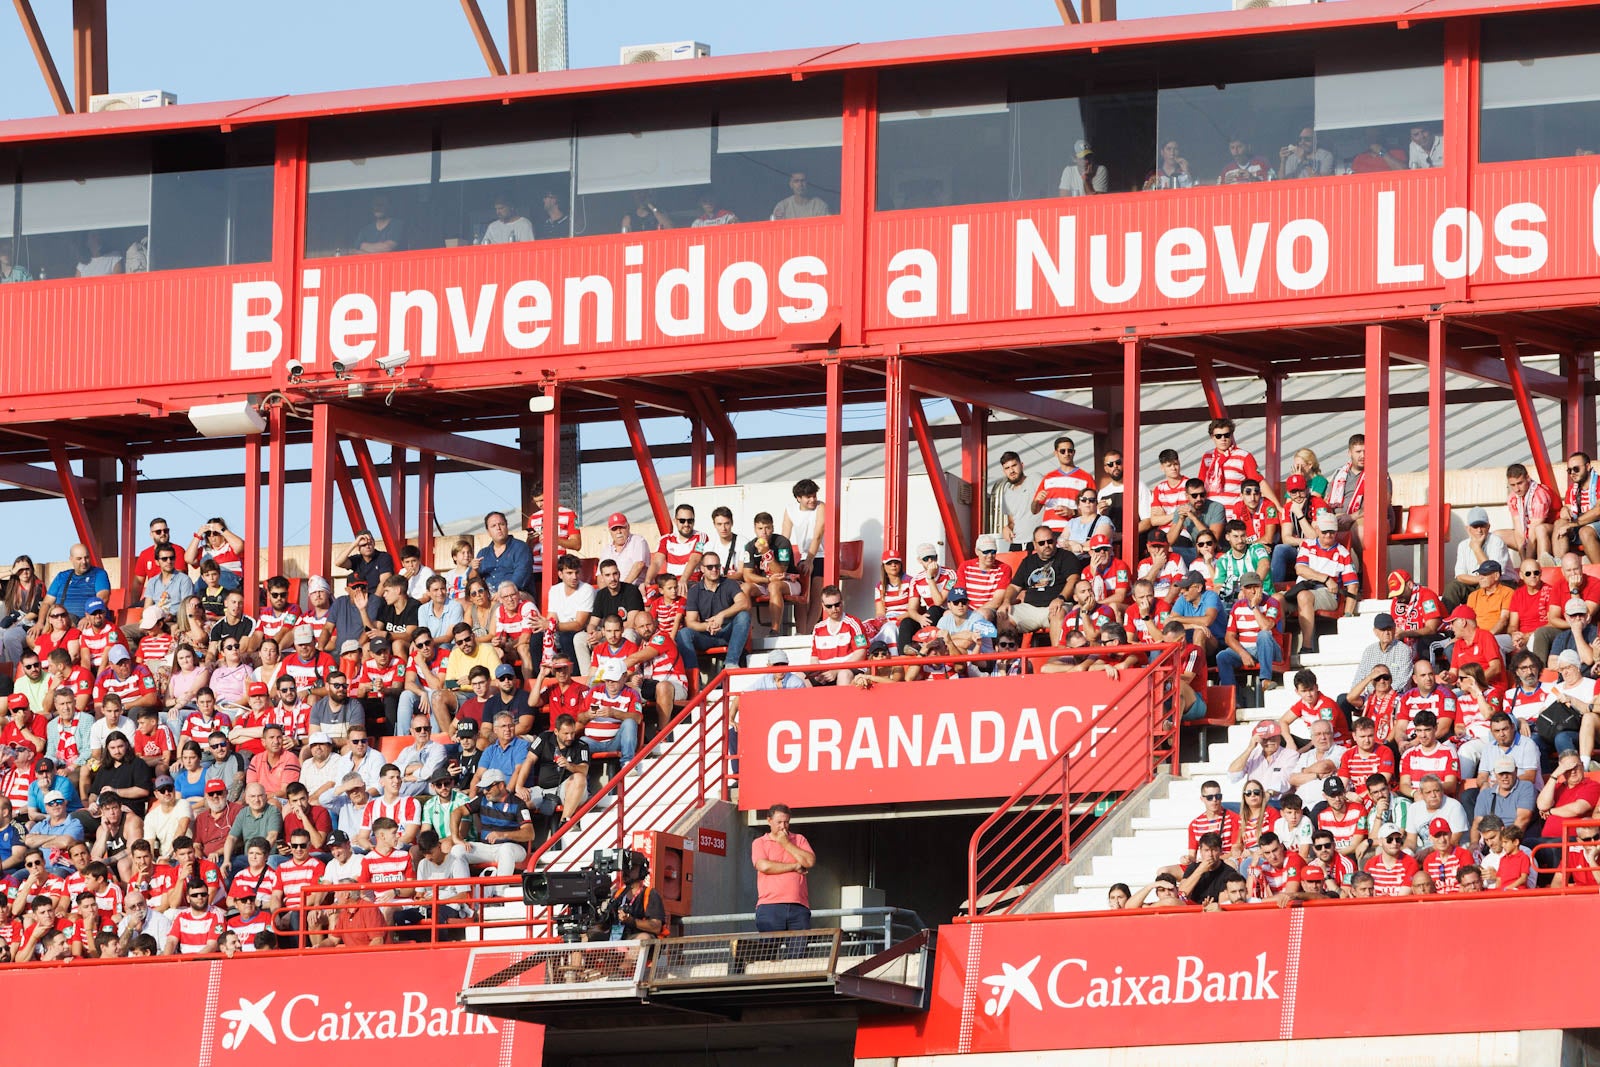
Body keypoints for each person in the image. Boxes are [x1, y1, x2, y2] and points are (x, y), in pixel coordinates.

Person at [1289, 514, 1359, 654]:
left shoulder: (1342, 553)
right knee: (1277, 600)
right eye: (1324, 531)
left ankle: (1307, 647)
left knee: (1304, 596)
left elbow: (1353, 585)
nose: (1328, 535)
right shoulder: (1308, 545)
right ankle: (1277, 653)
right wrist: (1326, 578)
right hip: (1303, 588)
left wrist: (1348, 614)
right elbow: (1300, 569)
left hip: (1326, 594)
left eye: (1332, 532)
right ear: (1317, 530)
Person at [449, 768, 534, 883]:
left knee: (506, 849)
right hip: (487, 847)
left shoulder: (518, 804)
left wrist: (503, 835)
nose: (485, 791)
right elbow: (456, 812)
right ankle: (464, 893)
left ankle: (499, 894)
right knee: (457, 850)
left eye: (488, 787)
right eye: (483, 788)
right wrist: (456, 838)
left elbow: (529, 834)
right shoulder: (481, 799)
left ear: (501, 785)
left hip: (513, 848)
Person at [678, 552, 752, 678]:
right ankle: (693, 677)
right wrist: (707, 626)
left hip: (728, 632)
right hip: (706, 635)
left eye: (717, 566)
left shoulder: (729, 583)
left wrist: (721, 615)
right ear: (702, 569)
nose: (714, 570)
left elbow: (745, 603)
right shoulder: (695, 591)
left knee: (743, 616)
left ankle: (731, 664)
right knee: (684, 633)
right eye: (710, 567)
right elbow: (691, 622)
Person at [1001, 526, 1082, 640]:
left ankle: (1058, 656)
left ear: (1055, 540)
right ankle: (1008, 656)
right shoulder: (1028, 562)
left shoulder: (1066, 557)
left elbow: (1073, 579)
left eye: (1049, 541)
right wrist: (1006, 601)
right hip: (1030, 607)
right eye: (1041, 543)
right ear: (1035, 545)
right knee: (1003, 614)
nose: (1046, 545)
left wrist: (1061, 598)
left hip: (1057, 605)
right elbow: (1014, 587)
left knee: (1058, 613)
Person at [752, 804, 814, 932]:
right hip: (770, 906)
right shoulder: (760, 842)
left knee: (798, 951)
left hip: (799, 906)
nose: (783, 826)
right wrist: (795, 866)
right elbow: (764, 866)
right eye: (779, 822)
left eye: (786, 822)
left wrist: (785, 843)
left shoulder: (799, 839)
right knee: (768, 951)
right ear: (769, 821)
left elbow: (809, 861)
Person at [1215, 573, 1280, 695]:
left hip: (1269, 649)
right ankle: (1232, 698)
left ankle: (1265, 679)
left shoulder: (1272, 603)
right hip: (1246, 649)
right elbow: (1229, 637)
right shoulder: (1237, 607)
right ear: (1242, 590)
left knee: (1263, 635)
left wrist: (1254, 606)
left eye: (1256, 586)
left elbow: (1266, 627)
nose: (1253, 591)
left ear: (1261, 587)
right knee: (1222, 656)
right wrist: (1242, 653)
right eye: (1249, 587)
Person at [740, 512, 802, 633]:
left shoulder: (782, 542)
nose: (764, 532)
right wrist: (767, 580)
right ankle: (745, 630)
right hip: (766, 582)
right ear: (755, 529)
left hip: (789, 581)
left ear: (772, 528)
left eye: (767, 528)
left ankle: (775, 630)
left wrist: (766, 552)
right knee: (744, 587)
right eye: (760, 528)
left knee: (774, 586)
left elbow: (780, 571)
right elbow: (747, 576)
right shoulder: (750, 546)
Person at [1443, 508, 1514, 610]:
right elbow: (1460, 576)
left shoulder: (1496, 541)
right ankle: (1444, 621)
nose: (1479, 530)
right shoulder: (1463, 545)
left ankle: (1481, 621)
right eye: (1475, 526)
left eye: (1482, 526)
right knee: (1452, 588)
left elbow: (1492, 573)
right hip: (1478, 582)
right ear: (1468, 528)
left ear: (1488, 527)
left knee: (1484, 586)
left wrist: (1477, 548)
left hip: (1503, 582)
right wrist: (1481, 579)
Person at [589, 850, 665, 942]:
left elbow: (656, 927)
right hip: (617, 938)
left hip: (636, 938)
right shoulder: (617, 894)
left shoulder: (650, 894)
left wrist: (631, 921)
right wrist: (599, 917)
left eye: (631, 868)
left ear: (642, 871)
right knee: (585, 937)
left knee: (643, 938)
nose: (625, 872)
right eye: (624, 869)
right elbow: (605, 926)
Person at [37, 543, 111, 623]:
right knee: (32, 633)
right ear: (71, 559)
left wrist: (88, 618)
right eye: (79, 559)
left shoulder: (99, 574)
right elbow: (47, 603)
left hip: (86, 622)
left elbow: (102, 598)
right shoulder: (62, 577)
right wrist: (39, 623)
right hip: (60, 620)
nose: (84, 562)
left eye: (86, 558)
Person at [1501, 462, 1557, 564]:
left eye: (1520, 483)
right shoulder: (1512, 497)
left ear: (1528, 478)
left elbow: (1533, 533)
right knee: (1496, 536)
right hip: (1529, 535)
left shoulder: (1539, 496)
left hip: (1553, 533)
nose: (1517, 489)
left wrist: (1528, 562)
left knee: (1539, 530)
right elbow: (1519, 530)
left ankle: (1542, 567)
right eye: (1513, 485)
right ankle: (1499, 571)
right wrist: (1523, 560)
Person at [1228, 721, 1297, 798]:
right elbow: (1233, 776)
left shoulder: (1290, 754)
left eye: (1273, 737)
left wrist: (1267, 794)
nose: (1269, 741)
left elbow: (1285, 782)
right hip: (1253, 802)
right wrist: (1249, 748)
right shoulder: (1253, 754)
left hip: (1277, 803)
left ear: (1279, 737)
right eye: (1265, 738)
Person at [474, 511, 534, 597]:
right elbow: (473, 581)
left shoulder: (521, 548)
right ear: (488, 532)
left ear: (507, 526)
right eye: (493, 526)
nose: (498, 528)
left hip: (517, 594)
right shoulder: (483, 553)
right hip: (491, 597)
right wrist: (474, 570)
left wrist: (501, 594)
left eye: (501, 524)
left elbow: (521, 578)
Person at [1556, 452, 1600, 563]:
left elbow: (1597, 511)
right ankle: (1558, 564)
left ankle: (1598, 571)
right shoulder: (1572, 489)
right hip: (1580, 526)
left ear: (1588, 467)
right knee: (1559, 524)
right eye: (1569, 470)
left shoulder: (1599, 483)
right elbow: (1567, 509)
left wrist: (1572, 524)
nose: (1572, 473)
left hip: (1594, 525)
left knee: (1585, 531)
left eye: (1576, 469)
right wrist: (1564, 510)